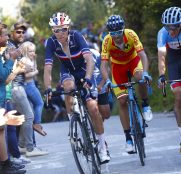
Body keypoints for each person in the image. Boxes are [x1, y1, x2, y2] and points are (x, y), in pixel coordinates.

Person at [44, 12, 110, 163]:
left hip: (84, 70)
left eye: (63, 29)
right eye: (56, 30)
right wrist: (48, 87)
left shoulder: (77, 36)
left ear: (68, 28)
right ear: (52, 31)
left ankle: (102, 147)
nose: (60, 33)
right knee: (68, 87)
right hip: (67, 71)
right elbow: (48, 68)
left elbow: (90, 60)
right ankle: (73, 122)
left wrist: (88, 78)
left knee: (93, 108)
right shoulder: (51, 42)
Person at [100, 15, 153, 153]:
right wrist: (107, 81)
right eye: (113, 33)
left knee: (140, 77)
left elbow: (143, 55)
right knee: (122, 101)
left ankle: (146, 104)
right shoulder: (107, 40)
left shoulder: (130, 34)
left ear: (123, 29)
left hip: (133, 61)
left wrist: (146, 72)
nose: (116, 36)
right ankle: (128, 138)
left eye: (118, 32)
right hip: (118, 68)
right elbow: (104, 65)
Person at [9, 22, 48, 157]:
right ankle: (30, 148)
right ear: (11, 33)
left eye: (22, 32)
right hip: (15, 88)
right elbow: (12, 68)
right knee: (29, 116)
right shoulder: (11, 47)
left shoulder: (18, 48)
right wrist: (25, 68)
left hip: (19, 87)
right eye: (18, 32)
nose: (21, 34)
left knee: (25, 117)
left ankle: (21, 146)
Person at [0, 22, 26, 174]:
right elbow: (3, 76)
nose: (7, 37)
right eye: (3, 34)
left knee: (2, 130)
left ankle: (6, 163)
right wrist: (12, 59)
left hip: (3, 96)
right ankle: (6, 164)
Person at [157, 7, 181, 151]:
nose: (171, 31)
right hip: (173, 61)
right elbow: (161, 57)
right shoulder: (162, 33)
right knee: (178, 94)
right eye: (168, 27)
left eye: (175, 28)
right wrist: (161, 75)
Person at [19, 41, 46, 136]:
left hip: (31, 84)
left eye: (33, 51)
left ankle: (35, 125)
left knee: (32, 108)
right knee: (40, 103)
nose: (32, 53)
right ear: (25, 51)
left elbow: (34, 68)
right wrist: (36, 72)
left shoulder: (29, 59)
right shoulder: (24, 60)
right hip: (29, 85)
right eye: (30, 51)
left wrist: (34, 60)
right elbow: (25, 76)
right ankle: (37, 124)